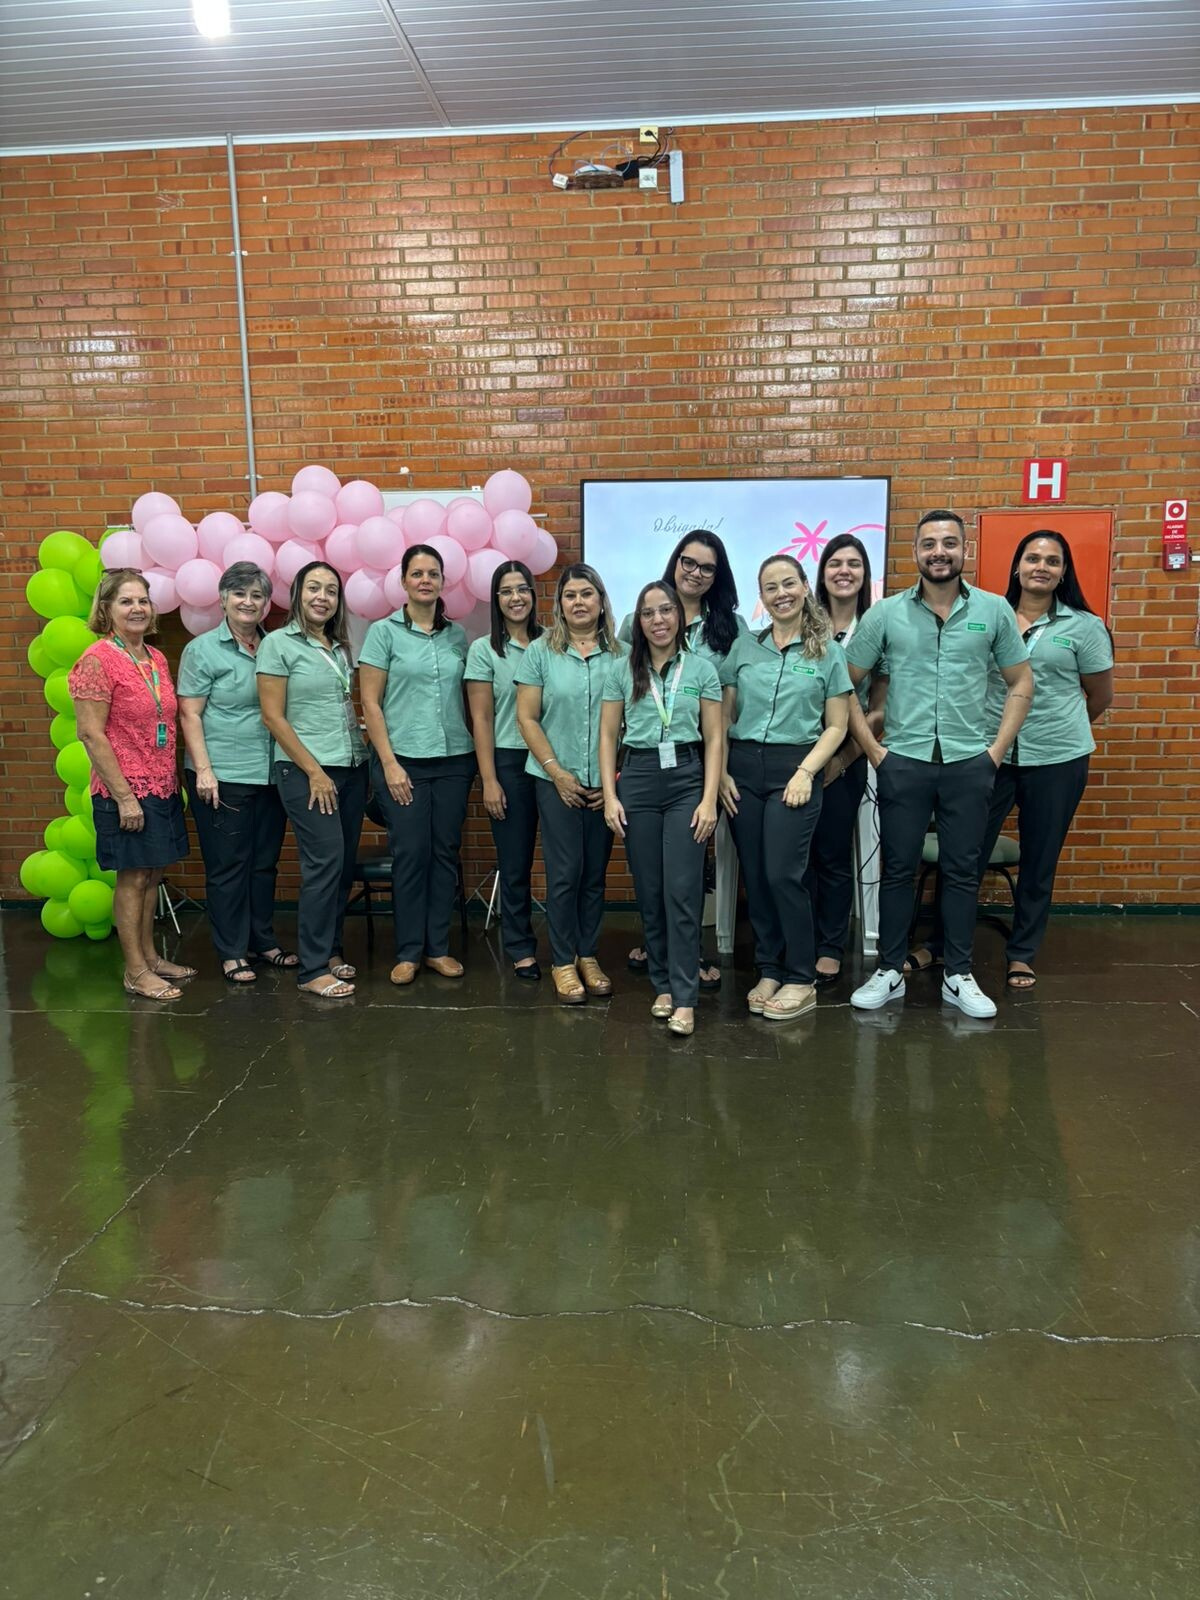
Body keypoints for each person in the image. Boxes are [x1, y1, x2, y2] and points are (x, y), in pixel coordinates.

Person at [844, 511, 1034, 1019]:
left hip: (970, 762)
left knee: (962, 872)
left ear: (964, 550)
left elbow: (1022, 682)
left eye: (950, 542)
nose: (940, 551)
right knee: (898, 869)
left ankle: (958, 974)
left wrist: (995, 752)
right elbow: (843, 683)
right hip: (902, 761)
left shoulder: (993, 611)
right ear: (916, 553)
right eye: (929, 543)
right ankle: (888, 970)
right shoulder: (885, 614)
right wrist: (873, 750)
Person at [916, 529, 1114, 990]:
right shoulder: (989, 614)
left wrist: (1058, 729)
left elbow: (1100, 695)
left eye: (1052, 560)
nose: (1041, 567)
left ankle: (1022, 953)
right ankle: (942, 944)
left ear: (1064, 571)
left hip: (1058, 760)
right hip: (989, 754)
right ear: (1017, 566)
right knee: (962, 856)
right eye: (1032, 558)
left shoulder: (1084, 627)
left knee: (1040, 861)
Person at [719, 554, 852, 1020]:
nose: (781, 593)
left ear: (803, 588)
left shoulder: (827, 652)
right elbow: (722, 716)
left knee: (783, 874)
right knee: (755, 877)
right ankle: (770, 967)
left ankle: (801, 976)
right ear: (762, 598)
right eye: (771, 587)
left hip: (794, 770)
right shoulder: (744, 648)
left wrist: (806, 772)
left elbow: (836, 726)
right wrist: (719, 772)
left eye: (788, 583)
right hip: (741, 769)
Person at [617, 529, 746, 988]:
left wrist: (720, 772)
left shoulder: (727, 628)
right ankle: (662, 955)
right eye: (688, 562)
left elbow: (725, 709)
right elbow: (627, 695)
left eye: (707, 567)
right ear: (675, 563)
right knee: (652, 878)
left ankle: (687, 958)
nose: (695, 572)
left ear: (717, 577)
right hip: (644, 767)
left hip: (700, 763)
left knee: (688, 874)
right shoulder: (637, 619)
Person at [600, 580, 723, 1036]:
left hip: (688, 779)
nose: (658, 620)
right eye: (649, 612)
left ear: (680, 616)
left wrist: (709, 799)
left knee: (683, 888)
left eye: (666, 610)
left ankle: (686, 996)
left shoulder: (703, 669)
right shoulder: (621, 671)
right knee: (650, 890)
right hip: (638, 780)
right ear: (639, 621)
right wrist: (611, 796)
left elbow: (715, 739)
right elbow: (608, 737)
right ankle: (664, 986)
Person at [70, 568, 193, 1001]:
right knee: (134, 878)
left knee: (153, 874)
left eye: (143, 600)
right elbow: (91, 733)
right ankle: (135, 971)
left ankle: (151, 958)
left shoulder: (154, 659)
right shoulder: (97, 660)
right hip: (125, 789)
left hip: (159, 784)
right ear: (106, 610)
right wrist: (124, 796)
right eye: (126, 601)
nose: (137, 608)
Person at [359, 543, 477, 986]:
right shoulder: (383, 633)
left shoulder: (457, 636)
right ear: (404, 581)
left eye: (433, 573)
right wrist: (388, 764)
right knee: (409, 854)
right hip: (403, 761)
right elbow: (370, 702)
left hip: (453, 761)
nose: (425, 580)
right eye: (417, 573)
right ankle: (408, 951)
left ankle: (438, 949)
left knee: (444, 853)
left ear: (443, 581)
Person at [178, 561, 295, 984]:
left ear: (267, 604)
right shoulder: (203, 649)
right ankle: (230, 951)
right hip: (223, 775)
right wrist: (204, 771)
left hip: (272, 774)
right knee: (228, 865)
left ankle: (262, 940)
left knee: (264, 864)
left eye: (257, 595)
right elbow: (190, 714)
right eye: (240, 593)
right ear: (224, 598)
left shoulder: (275, 646)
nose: (249, 602)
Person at [257, 561, 368, 999]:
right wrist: (315, 771)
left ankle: (333, 950)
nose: (322, 597)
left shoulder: (338, 645)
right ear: (297, 594)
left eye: (331, 591)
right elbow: (273, 715)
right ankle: (313, 968)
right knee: (322, 866)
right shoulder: (279, 645)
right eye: (314, 588)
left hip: (350, 766)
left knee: (340, 867)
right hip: (307, 772)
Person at [515, 562, 622, 1006]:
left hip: (605, 785)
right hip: (553, 778)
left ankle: (588, 955)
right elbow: (527, 717)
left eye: (587, 594)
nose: (579, 602)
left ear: (601, 602)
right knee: (564, 873)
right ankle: (562, 960)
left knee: (595, 873)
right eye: (570, 595)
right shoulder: (540, 652)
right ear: (559, 604)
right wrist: (557, 771)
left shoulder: (622, 653)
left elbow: (631, 722)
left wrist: (613, 780)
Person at [803, 534, 886, 987]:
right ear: (822, 573)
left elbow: (878, 709)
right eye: (835, 563)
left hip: (848, 760)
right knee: (796, 855)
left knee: (832, 855)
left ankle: (829, 945)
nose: (844, 571)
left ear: (864, 574)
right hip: (797, 756)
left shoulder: (877, 626)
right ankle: (797, 939)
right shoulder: (802, 622)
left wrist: (844, 758)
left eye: (854, 564)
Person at [464, 561, 544, 981]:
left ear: (534, 595)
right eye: (506, 590)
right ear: (496, 600)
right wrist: (489, 779)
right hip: (509, 764)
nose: (516, 597)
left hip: (553, 765)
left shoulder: (554, 642)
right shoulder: (483, 650)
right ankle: (520, 946)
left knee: (566, 865)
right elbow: (481, 720)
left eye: (523, 589)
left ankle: (569, 949)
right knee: (514, 865)